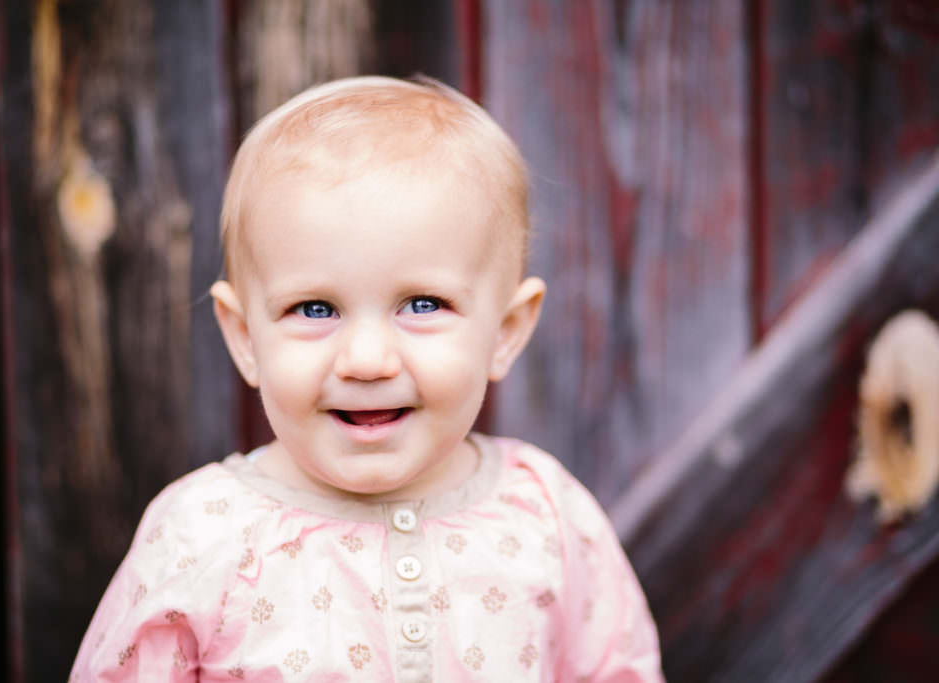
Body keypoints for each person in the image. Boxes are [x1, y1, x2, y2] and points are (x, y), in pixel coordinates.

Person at [71, 75, 662, 681]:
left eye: (423, 305)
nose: (367, 360)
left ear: (505, 331)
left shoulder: (544, 515)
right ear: (245, 337)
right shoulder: (202, 535)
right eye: (315, 309)